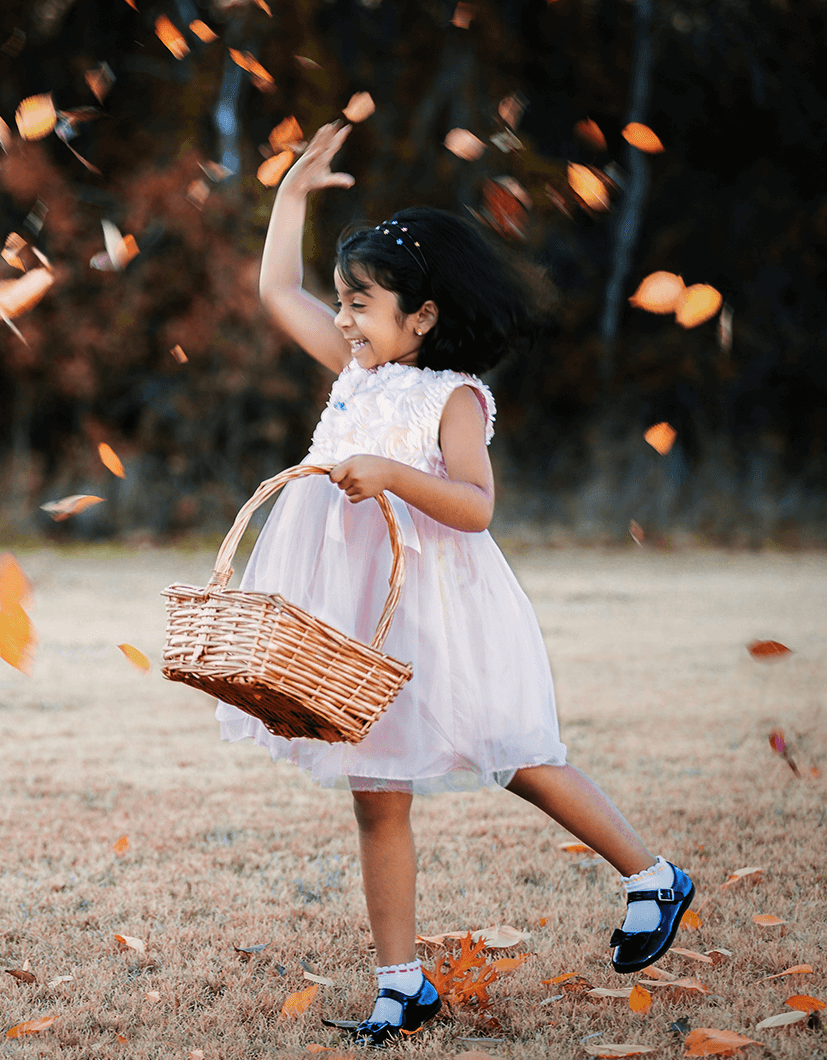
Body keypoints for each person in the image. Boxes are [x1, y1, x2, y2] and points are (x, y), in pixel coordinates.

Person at [222, 120, 694, 1047]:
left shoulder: (452, 398)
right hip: (357, 607)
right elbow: (278, 289)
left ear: (423, 316)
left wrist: (391, 474)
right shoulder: (356, 370)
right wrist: (288, 201)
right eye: (346, 302)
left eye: (363, 303)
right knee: (374, 787)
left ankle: (651, 876)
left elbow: (477, 507)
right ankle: (403, 983)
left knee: (511, 751)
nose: (346, 318)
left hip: (434, 604)